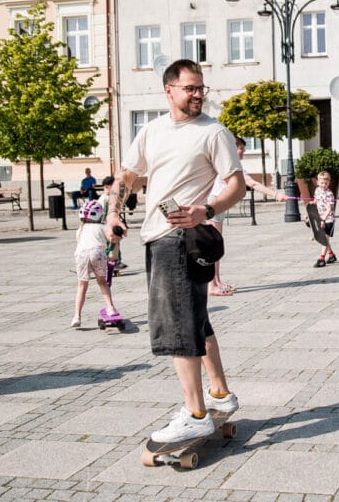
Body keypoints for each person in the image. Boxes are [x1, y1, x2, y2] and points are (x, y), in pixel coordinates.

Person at [104, 58, 245, 443]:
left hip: (182, 238)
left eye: (201, 88)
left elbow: (236, 184)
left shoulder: (213, 132)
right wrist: (113, 213)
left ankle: (195, 413)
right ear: (169, 91)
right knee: (196, 319)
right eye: (190, 88)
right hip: (156, 235)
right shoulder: (152, 131)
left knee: (177, 326)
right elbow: (128, 175)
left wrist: (207, 210)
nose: (198, 94)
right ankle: (219, 393)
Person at [207, 135, 285, 294]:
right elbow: (253, 183)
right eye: (241, 148)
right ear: (232, 149)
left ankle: (217, 282)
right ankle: (211, 285)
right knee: (213, 246)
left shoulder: (230, 166)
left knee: (216, 245)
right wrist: (276, 195)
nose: (243, 151)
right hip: (214, 204)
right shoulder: (229, 166)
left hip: (217, 205)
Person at [71, 199, 120, 327]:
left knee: (82, 285)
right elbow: (112, 239)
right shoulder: (102, 227)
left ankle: (77, 316)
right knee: (102, 282)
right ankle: (110, 308)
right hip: (97, 253)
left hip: (81, 254)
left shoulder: (80, 229)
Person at [312, 171, 338, 267]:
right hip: (320, 218)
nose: (323, 185)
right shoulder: (317, 190)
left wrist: (323, 219)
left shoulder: (329, 194)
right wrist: (311, 205)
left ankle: (321, 259)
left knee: (325, 239)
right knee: (324, 239)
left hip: (329, 219)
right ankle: (331, 255)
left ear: (329, 183)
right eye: (322, 183)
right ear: (317, 182)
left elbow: (329, 208)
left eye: (326, 183)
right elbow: (315, 201)